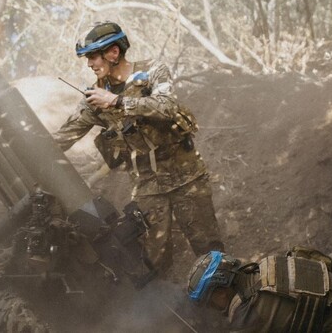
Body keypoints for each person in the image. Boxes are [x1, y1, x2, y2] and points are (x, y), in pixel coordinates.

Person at [53, 21, 223, 272]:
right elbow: (63, 138)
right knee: (153, 261)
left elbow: (167, 106)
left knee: (208, 249)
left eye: (92, 57)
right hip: (146, 186)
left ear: (113, 52)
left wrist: (118, 102)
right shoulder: (95, 99)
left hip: (186, 177)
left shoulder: (153, 71)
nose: (89, 64)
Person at [187, 247, 332, 332]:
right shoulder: (264, 269)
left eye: (210, 301)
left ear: (221, 292)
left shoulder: (248, 316)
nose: (211, 308)